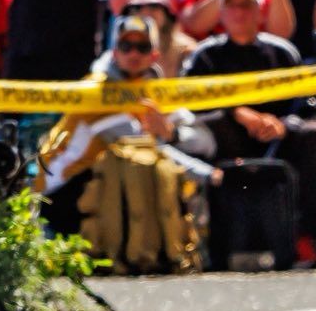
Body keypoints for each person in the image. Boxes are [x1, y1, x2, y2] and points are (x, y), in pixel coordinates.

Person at [36, 14, 220, 243]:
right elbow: (147, 147)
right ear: (115, 52)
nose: (134, 54)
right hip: (59, 192)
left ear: (154, 55)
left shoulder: (153, 90)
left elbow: (205, 143)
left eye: (142, 47)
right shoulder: (97, 90)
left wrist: (172, 133)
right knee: (144, 166)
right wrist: (208, 175)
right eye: (126, 46)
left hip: (98, 189)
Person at [180, 0, 316, 258]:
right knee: (206, 127)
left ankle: (311, 236)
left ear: (260, 11)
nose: (239, 13)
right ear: (221, 13)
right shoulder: (205, 56)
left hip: (276, 141)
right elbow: (189, 105)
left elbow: (305, 103)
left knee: (314, 134)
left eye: (246, 6)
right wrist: (237, 114)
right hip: (227, 143)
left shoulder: (282, 53)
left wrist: (283, 126)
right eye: (232, 6)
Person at [121, 0, 198, 79]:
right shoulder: (122, 49)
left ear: (167, 13)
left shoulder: (186, 50)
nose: (145, 12)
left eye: (153, 6)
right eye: (137, 7)